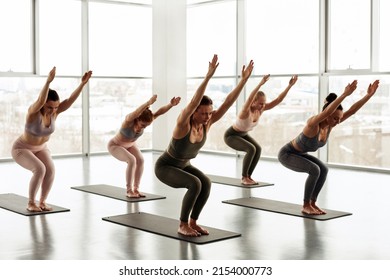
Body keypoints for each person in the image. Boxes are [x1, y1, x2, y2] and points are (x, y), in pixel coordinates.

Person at [154, 54, 254, 237]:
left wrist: (243, 81)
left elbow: (227, 103)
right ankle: (182, 225)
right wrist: (208, 76)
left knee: (206, 183)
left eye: (210, 113)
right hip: (165, 166)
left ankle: (193, 222)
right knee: (194, 183)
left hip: (185, 165)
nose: (208, 117)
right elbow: (193, 102)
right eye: (203, 113)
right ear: (194, 113)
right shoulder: (183, 123)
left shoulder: (207, 123)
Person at [278, 79, 380, 215]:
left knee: (324, 169)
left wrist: (368, 95)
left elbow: (352, 111)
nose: (338, 122)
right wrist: (344, 95)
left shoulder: (330, 124)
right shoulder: (313, 124)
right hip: (287, 154)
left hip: (300, 154)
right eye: (335, 118)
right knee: (314, 170)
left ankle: (313, 203)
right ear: (327, 115)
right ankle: (305, 205)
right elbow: (325, 113)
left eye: (339, 118)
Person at [12, 66, 93, 212]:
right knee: (39, 169)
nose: (54, 110)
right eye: (50, 107)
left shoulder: (54, 113)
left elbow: (69, 101)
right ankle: (31, 202)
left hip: (41, 148)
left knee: (50, 170)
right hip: (22, 148)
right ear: (43, 104)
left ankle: (42, 202)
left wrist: (82, 84)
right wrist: (48, 82)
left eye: (56, 107)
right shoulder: (33, 112)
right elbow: (41, 99)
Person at [224, 74, 298, 185]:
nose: (263, 106)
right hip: (231, 135)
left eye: (264, 103)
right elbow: (249, 98)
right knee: (251, 149)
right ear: (253, 102)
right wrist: (260, 83)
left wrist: (289, 86)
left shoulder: (261, 109)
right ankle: (244, 177)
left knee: (257, 148)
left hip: (243, 134)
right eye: (260, 103)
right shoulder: (246, 110)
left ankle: (249, 176)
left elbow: (278, 100)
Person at [108, 94, 181, 198]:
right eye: (143, 125)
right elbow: (136, 112)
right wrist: (148, 103)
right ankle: (129, 191)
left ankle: (136, 190)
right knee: (132, 160)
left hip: (130, 145)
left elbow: (160, 112)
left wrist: (171, 104)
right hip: (115, 146)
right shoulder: (128, 122)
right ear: (137, 119)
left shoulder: (147, 119)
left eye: (147, 126)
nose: (144, 127)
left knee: (141, 160)